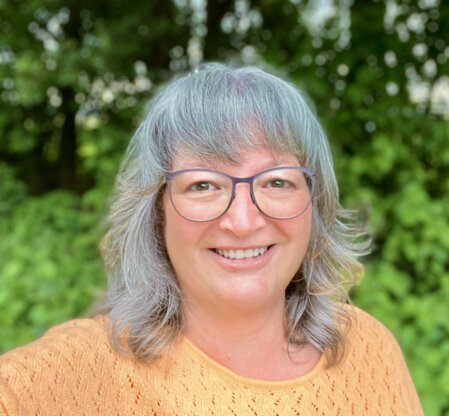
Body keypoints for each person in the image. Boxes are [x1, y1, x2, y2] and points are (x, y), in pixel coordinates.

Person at [0, 63, 423, 415]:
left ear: (316, 204)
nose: (242, 221)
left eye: (277, 182)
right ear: (157, 212)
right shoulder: (78, 371)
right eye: (203, 185)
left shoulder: (368, 352)